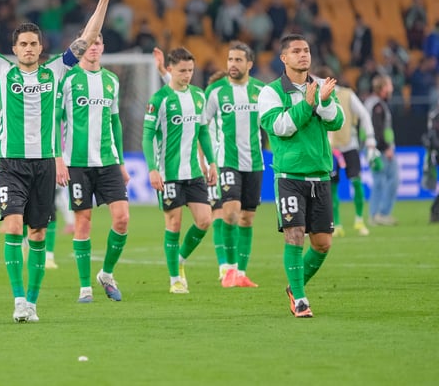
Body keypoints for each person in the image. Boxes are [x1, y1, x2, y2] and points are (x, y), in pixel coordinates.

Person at [0, 0, 115, 323]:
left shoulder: (56, 71)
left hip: (43, 165)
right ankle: (18, 300)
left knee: (38, 234)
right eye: (22, 44)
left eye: (33, 44)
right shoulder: (1, 70)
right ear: (14, 49)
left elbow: (87, 38)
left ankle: (33, 302)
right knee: (13, 227)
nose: (28, 48)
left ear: (41, 48)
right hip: (10, 163)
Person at [259, 34, 344, 318]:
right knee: (294, 235)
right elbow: (280, 127)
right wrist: (307, 105)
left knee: (322, 244)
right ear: (284, 58)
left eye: (306, 50)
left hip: (320, 175)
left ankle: (293, 287)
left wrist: (324, 102)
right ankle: (300, 299)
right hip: (289, 176)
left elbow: (337, 121)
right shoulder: (271, 92)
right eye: (296, 51)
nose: (303, 54)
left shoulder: (320, 86)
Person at [56, 33, 130, 303]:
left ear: (103, 47)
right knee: (83, 222)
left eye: (97, 43)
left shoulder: (111, 80)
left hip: (108, 161)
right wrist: (58, 158)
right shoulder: (67, 79)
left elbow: (115, 123)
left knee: (122, 219)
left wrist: (121, 163)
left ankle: (106, 274)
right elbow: (55, 120)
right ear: (79, 48)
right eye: (87, 44)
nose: (92, 48)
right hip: (77, 163)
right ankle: (84, 287)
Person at [143, 47, 217, 295]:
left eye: (190, 70)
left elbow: (203, 132)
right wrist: (153, 169)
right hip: (169, 174)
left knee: (205, 220)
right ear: (170, 70)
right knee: (174, 223)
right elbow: (147, 137)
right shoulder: (159, 100)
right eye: (182, 70)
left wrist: (212, 162)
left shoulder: (198, 96)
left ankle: (180, 258)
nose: (187, 75)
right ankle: (175, 278)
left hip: (194, 172)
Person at [201, 42, 266, 288]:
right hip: (227, 161)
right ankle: (228, 269)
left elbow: (273, 123)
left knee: (247, 218)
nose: (232, 64)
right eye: (230, 59)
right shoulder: (216, 91)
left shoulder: (261, 91)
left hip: (255, 162)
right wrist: (207, 161)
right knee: (229, 212)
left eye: (238, 60)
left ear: (249, 64)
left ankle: (240, 273)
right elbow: (202, 127)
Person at [314, 67, 376, 237]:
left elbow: (364, 115)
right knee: (332, 187)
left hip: (349, 145)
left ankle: (359, 220)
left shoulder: (347, 94)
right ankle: (337, 224)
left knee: (355, 182)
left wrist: (370, 139)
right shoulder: (316, 95)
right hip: (330, 149)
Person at [365, 75, 398, 226]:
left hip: (374, 148)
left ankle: (378, 214)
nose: (392, 88)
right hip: (379, 149)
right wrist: (386, 148)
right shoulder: (377, 105)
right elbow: (377, 129)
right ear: (383, 87)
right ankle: (379, 214)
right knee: (387, 180)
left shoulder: (372, 102)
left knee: (383, 180)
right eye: (389, 85)